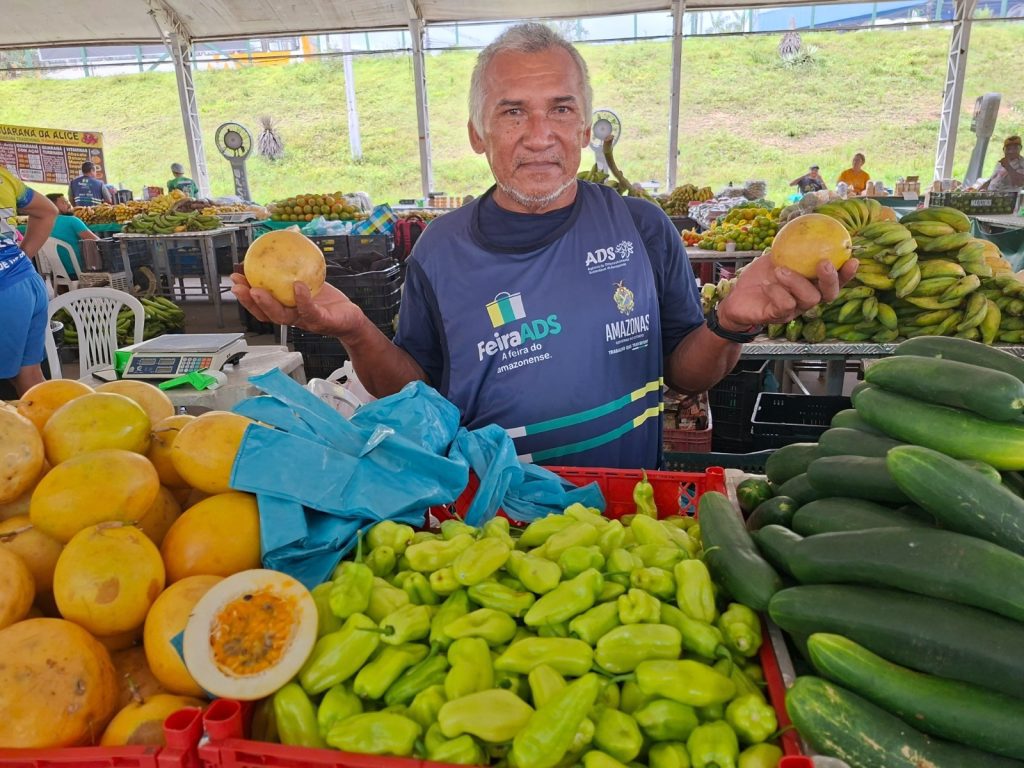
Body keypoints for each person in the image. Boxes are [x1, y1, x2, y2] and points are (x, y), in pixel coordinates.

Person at [232, 23, 857, 469]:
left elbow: (682, 375)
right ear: (477, 134)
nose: (539, 136)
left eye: (560, 110)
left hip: (625, 504)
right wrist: (355, 331)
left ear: (585, 127)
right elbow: (412, 393)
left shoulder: (641, 228)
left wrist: (729, 326)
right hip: (491, 517)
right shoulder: (439, 250)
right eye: (511, 113)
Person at [1, 165, 58, 395]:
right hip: (25, 281)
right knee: (29, 376)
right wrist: (21, 257)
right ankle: (62, 430)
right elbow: (48, 211)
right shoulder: (4, 176)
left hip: (4, 291)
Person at [44, 193, 100, 280]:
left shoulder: (41, 223)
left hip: (54, 275)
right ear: (52, 206)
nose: (69, 204)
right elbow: (97, 241)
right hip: (77, 272)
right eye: (64, 202)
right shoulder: (72, 221)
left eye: (67, 201)